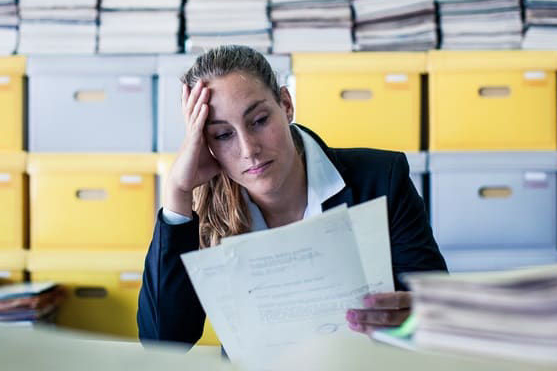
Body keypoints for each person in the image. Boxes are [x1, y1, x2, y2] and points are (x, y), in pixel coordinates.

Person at [137, 45, 447, 345]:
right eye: (223, 134)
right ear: (207, 144)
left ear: (286, 104)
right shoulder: (202, 209)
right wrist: (178, 194)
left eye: (259, 121)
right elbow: (164, 338)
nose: (249, 150)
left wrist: (415, 314)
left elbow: (436, 309)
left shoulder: (381, 177)